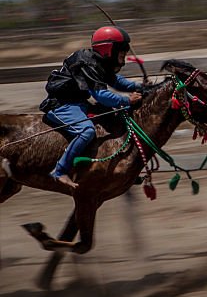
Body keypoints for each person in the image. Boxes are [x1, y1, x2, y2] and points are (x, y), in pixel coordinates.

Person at [39, 26, 144, 190]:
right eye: (121, 53)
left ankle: (121, 168)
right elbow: (101, 95)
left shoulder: (100, 62)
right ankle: (60, 171)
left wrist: (140, 87)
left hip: (79, 102)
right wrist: (126, 100)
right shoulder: (87, 63)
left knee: (114, 120)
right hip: (62, 104)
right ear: (109, 50)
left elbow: (116, 82)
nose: (123, 57)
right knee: (86, 131)